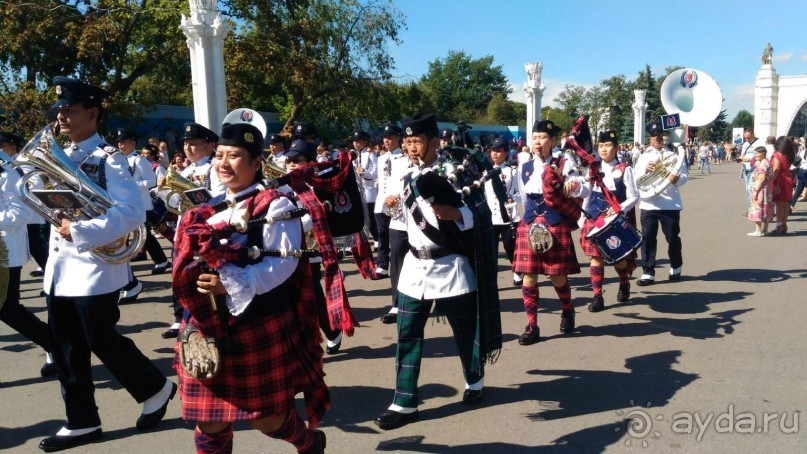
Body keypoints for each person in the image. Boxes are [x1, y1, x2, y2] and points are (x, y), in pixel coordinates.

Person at [39, 76, 176, 452]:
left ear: (92, 113)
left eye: (70, 109)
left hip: (94, 269)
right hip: (61, 269)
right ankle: (81, 421)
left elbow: (132, 213)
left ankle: (155, 387)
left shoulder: (109, 159)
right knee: (66, 347)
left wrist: (80, 230)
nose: (61, 115)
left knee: (100, 339)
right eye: (60, 109)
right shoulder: (60, 155)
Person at [173, 123, 327, 453]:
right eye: (219, 156)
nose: (223, 163)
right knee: (209, 420)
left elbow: (282, 264)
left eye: (234, 156)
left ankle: (308, 443)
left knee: (267, 419)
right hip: (205, 326)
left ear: (257, 162)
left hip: (256, 322)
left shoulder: (276, 205)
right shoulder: (207, 208)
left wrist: (227, 284)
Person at [375, 113, 501, 430]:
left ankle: (474, 380)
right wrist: (393, 205)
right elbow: (403, 220)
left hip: (450, 268)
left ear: (434, 142)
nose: (410, 148)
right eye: (407, 142)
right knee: (407, 335)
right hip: (414, 268)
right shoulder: (405, 174)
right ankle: (404, 402)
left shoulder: (456, 170)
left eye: (416, 141)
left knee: (465, 332)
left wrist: (455, 213)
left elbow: (481, 212)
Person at [513, 120, 585, 346]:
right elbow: (524, 197)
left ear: (553, 140)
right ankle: (532, 325)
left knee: (556, 276)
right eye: (535, 137)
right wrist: (527, 219)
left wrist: (572, 185)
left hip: (554, 221)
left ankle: (567, 309)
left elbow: (580, 185)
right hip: (531, 222)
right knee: (528, 276)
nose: (538, 142)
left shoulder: (563, 162)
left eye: (542, 137)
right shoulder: (524, 166)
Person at [158, 122, 225, 340]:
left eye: (193, 144)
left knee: (202, 276)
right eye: (186, 144)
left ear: (208, 146)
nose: (188, 148)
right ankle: (179, 318)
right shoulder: (185, 171)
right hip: (184, 229)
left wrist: (193, 193)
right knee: (179, 275)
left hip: (204, 230)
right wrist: (163, 190)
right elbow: (175, 205)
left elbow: (218, 199)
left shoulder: (214, 169)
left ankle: (204, 320)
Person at [0, 132, 57, 377]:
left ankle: (54, 345)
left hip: (4, 253)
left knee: (7, 309)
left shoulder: (6, 171)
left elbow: (20, 213)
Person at [580, 130, 639, 312]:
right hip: (594, 218)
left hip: (615, 219)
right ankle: (597, 296)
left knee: (618, 259)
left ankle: (624, 282)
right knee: (595, 258)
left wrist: (618, 209)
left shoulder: (625, 169)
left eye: (608, 146)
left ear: (616, 148)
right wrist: (582, 217)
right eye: (601, 146)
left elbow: (634, 196)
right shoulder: (593, 168)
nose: (604, 149)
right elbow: (588, 195)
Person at [634, 119, 688, 286]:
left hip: (670, 204)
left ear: (665, 136)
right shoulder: (644, 157)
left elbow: (684, 177)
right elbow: (636, 178)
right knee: (648, 238)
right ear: (650, 138)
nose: (657, 139)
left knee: (672, 238)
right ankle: (648, 272)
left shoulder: (674, 155)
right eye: (653, 136)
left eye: (660, 135)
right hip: (648, 204)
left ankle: (676, 266)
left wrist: (676, 179)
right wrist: (645, 170)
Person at [116, 129, 167, 292]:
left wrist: (132, 185)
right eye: (119, 142)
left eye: (123, 142)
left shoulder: (139, 160)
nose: (120, 145)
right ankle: (158, 260)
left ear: (132, 143)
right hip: (124, 203)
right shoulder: (118, 160)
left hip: (139, 204)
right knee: (134, 236)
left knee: (144, 235)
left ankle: (161, 260)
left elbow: (151, 181)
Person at [0, 131, 50, 278]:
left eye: (2, 146)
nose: (0, 150)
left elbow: (36, 184)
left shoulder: (21, 161)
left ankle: (51, 279)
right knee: (30, 247)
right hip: (18, 215)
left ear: (13, 147)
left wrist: (20, 190)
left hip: (29, 213)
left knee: (36, 247)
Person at [484, 137, 521, 286]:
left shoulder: (512, 171)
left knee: (510, 247)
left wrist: (512, 198)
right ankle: (491, 278)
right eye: (493, 150)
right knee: (491, 251)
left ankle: (518, 271)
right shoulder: (485, 171)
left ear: (506, 153)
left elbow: (520, 192)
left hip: (508, 216)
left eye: (499, 151)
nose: (495, 154)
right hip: (491, 217)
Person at [373, 123, 404, 278]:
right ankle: (382, 265)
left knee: (396, 236)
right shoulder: (381, 158)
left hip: (396, 202)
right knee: (382, 234)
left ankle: (399, 265)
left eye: (390, 137)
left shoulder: (404, 158)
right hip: (381, 201)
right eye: (385, 138)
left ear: (398, 138)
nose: (387, 141)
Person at [352, 130, 378, 243]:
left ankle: (378, 239)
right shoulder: (353, 156)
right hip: (358, 192)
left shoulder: (370, 155)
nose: (356, 143)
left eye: (359, 141)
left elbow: (376, 173)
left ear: (365, 142)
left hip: (369, 192)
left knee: (371, 218)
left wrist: (364, 172)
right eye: (355, 141)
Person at [769, 136, 796, 235]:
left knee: (779, 205)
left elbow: (776, 169)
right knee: (786, 204)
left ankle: (779, 226)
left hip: (780, 180)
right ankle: (784, 225)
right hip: (788, 179)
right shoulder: (790, 155)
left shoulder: (777, 154)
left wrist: (771, 180)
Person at [748, 147, 772, 236]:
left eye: (757, 153)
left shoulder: (763, 164)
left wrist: (755, 191)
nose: (755, 155)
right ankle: (765, 230)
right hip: (766, 189)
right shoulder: (766, 162)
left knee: (758, 208)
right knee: (766, 208)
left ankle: (758, 230)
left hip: (761, 190)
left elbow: (761, 178)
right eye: (755, 153)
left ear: (763, 153)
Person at [741, 128, 766, 215]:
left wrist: (750, 159)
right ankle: (750, 209)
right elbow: (742, 154)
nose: (747, 139)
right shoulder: (745, 144)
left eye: (748, 137)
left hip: (755, 168)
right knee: (748, 190)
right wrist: (740, 159)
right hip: (746, 168)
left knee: (751, 189)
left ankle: (754, 209)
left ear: (753, 134)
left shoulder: (759, 142)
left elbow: (762, 155)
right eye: (745, 138)